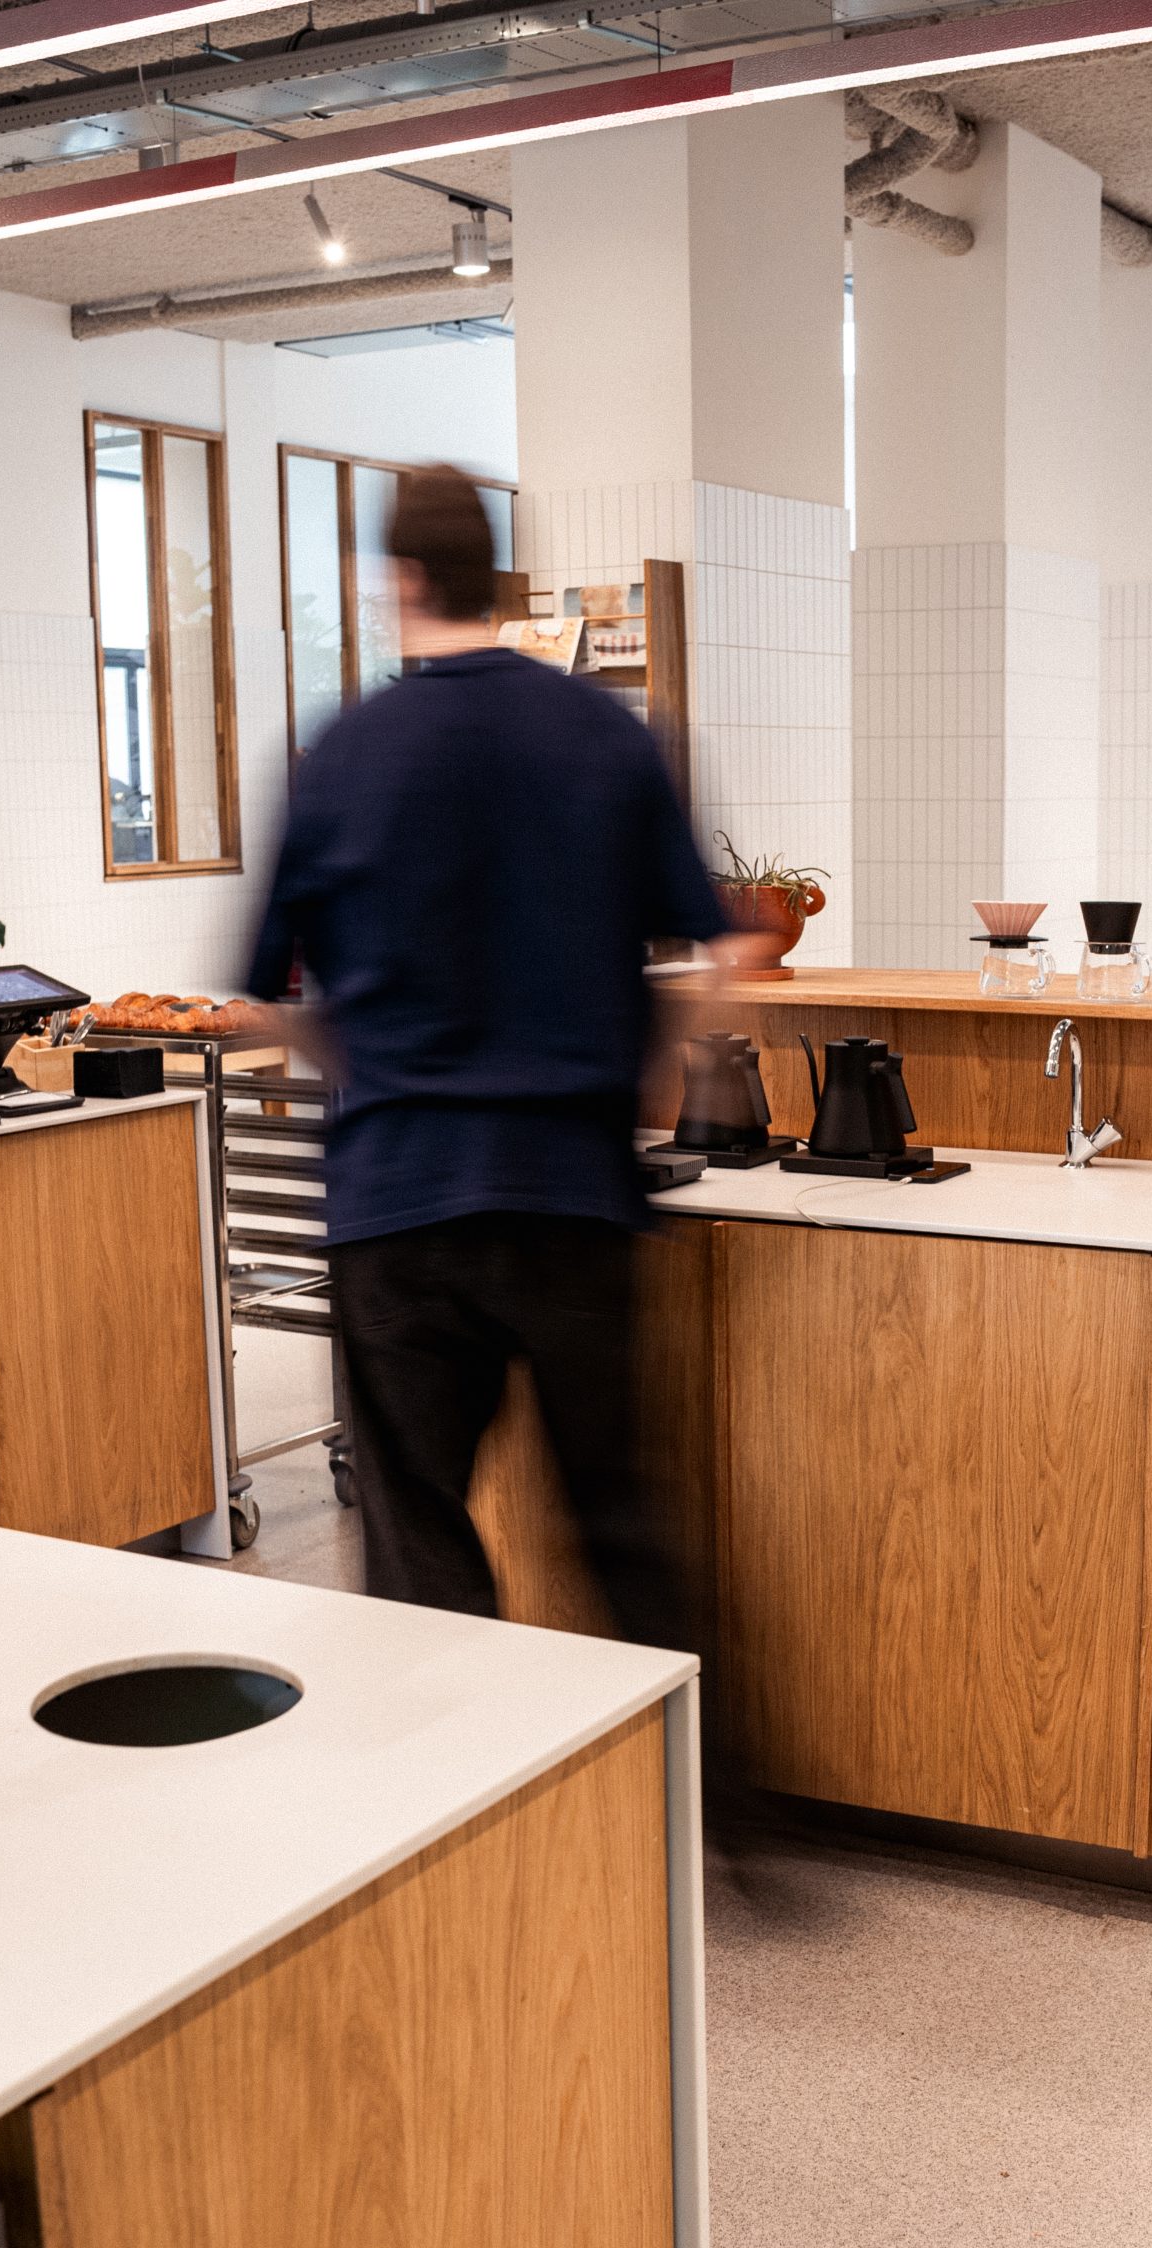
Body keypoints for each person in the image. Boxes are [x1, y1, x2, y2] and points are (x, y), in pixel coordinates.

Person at [246, 464, 754, 1642]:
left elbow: (270, 997)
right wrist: (642, 1064)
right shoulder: (608, 735)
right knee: (622, 1526)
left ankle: (461, 1760)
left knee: (420, 1546)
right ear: (496, 577)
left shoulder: (341, 754)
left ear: (399, 579)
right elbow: (724, 947)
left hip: (398, 1204)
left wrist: (372, 1066)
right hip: (573, 1196)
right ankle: (694, 1767)